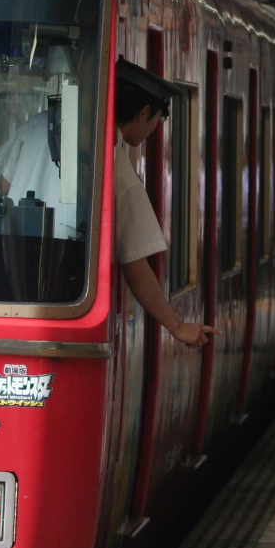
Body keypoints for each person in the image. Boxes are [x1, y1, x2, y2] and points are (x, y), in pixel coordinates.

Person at [109, 58, 213, 349]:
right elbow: (135, 262)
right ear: (144, 112)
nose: (156, 127)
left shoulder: (39, 127)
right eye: (159, 119)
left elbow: (4, 183)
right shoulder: (119, 175)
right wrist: (176, 326)